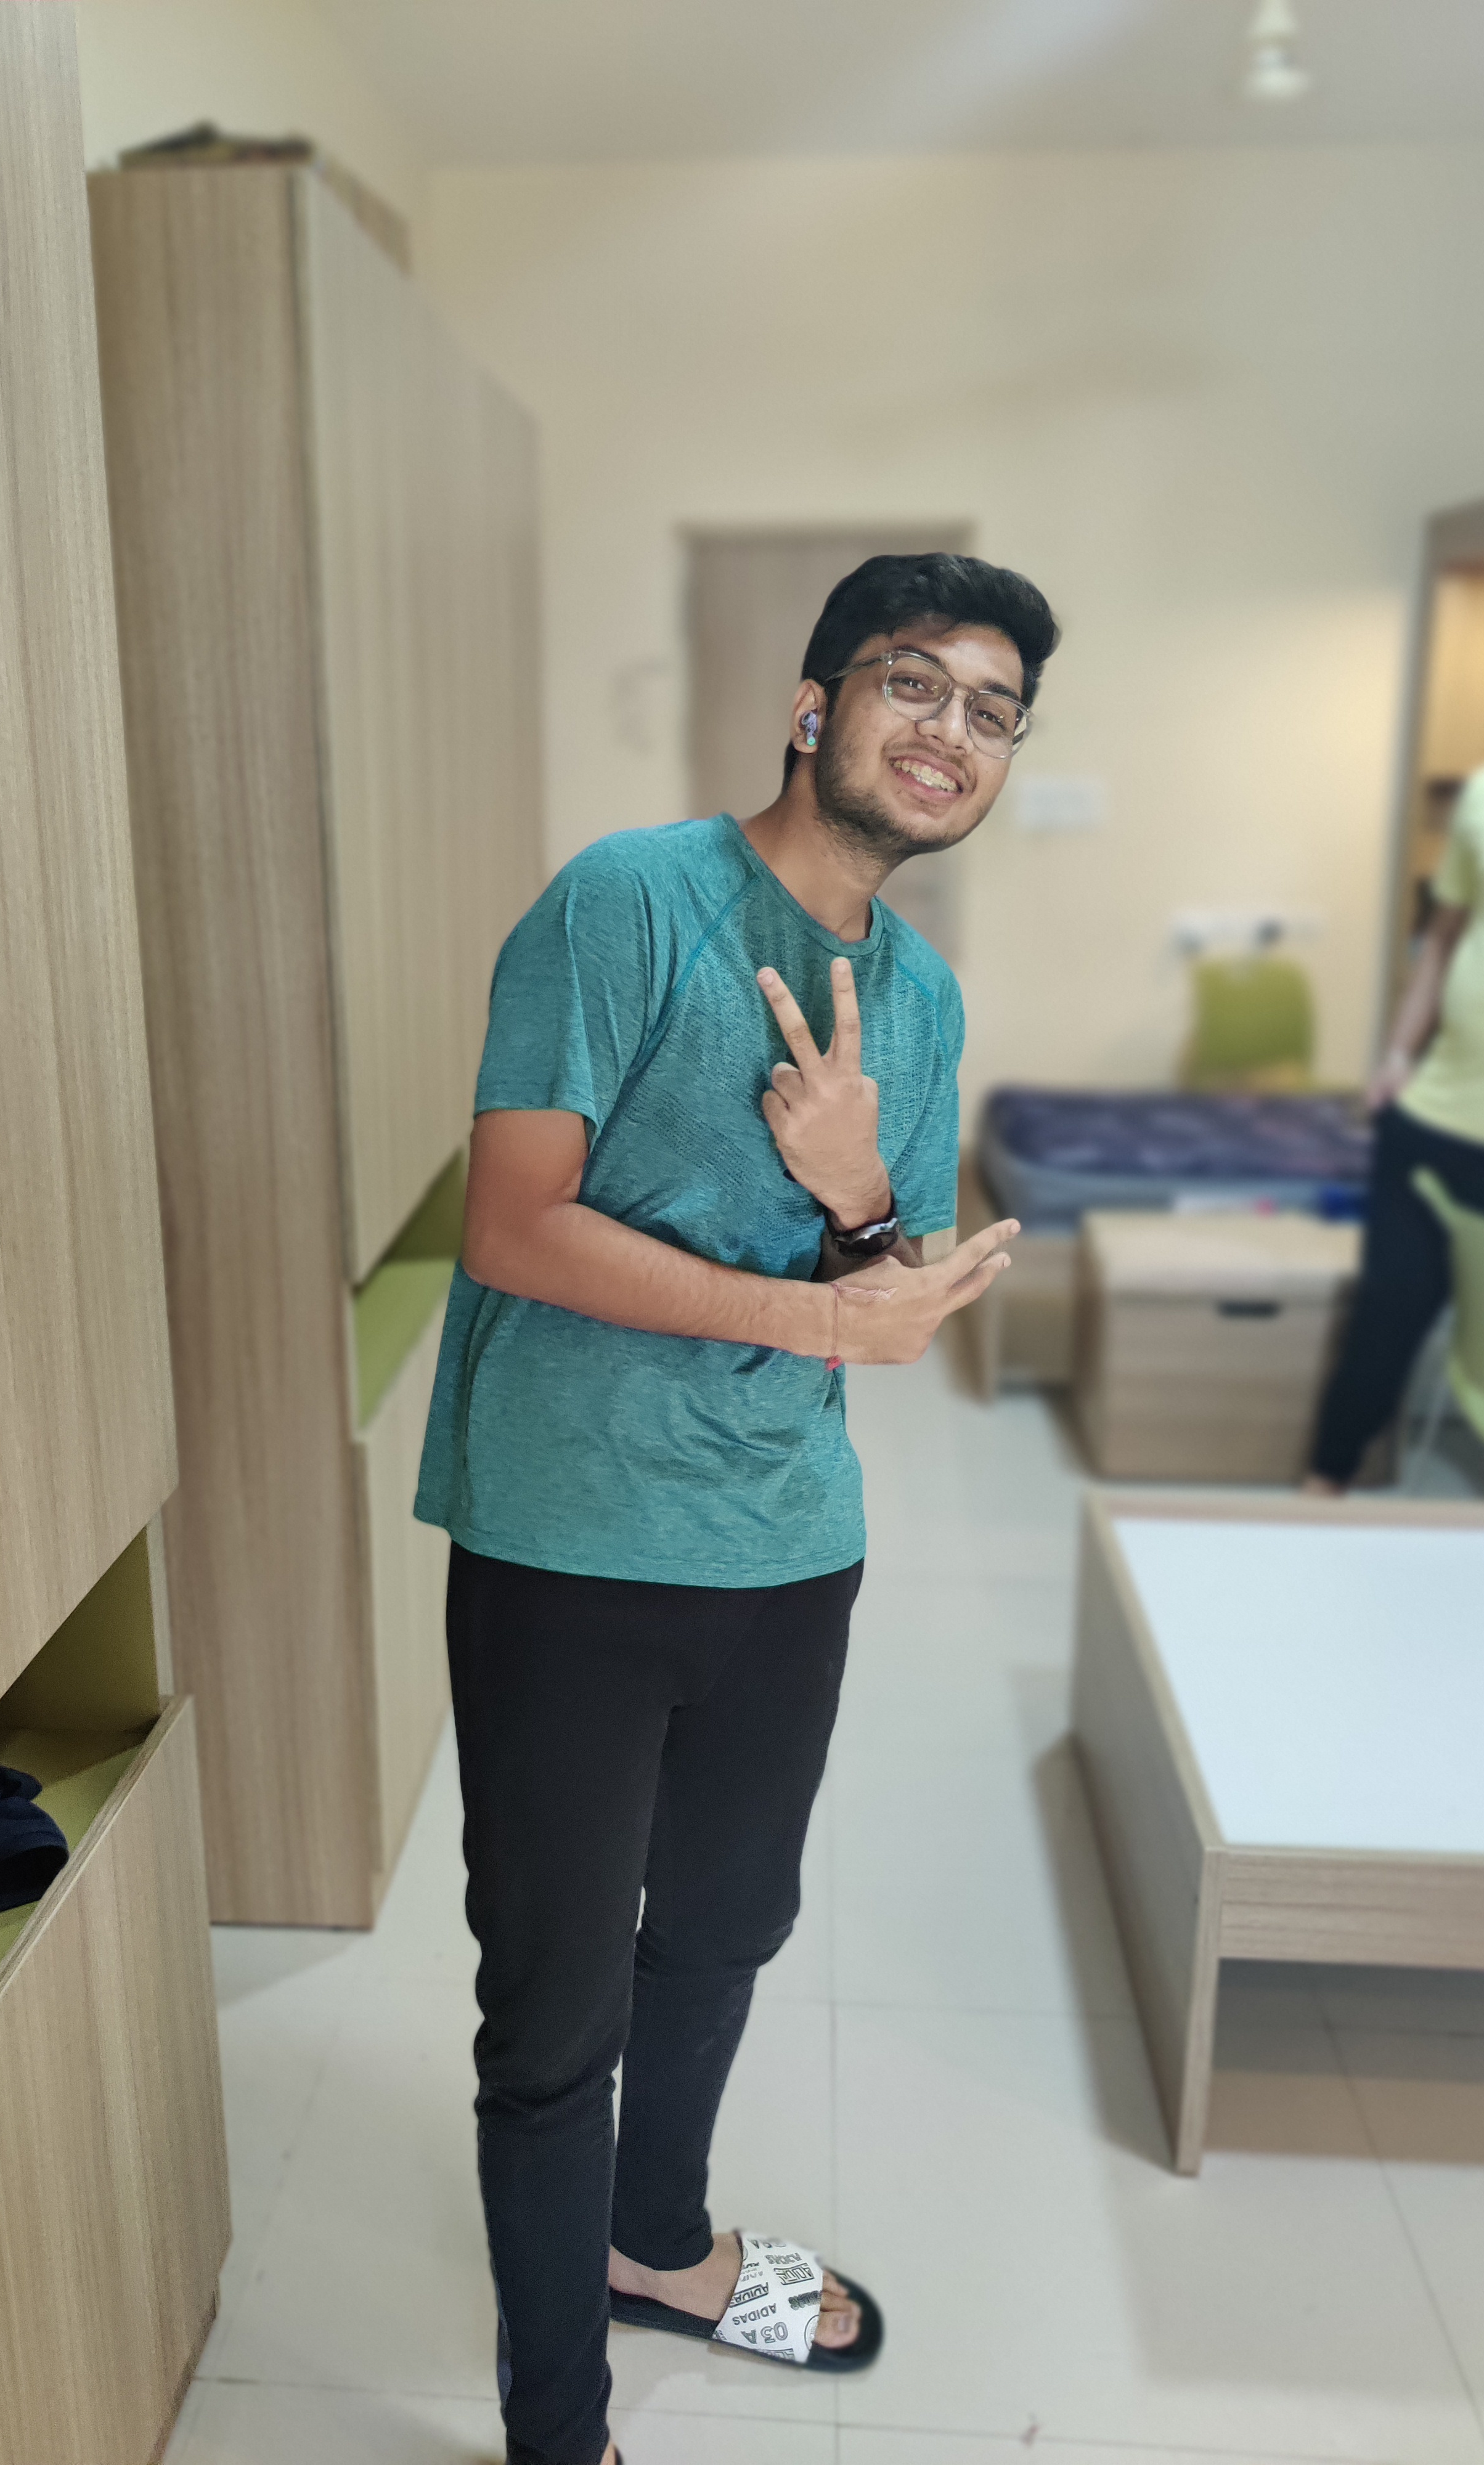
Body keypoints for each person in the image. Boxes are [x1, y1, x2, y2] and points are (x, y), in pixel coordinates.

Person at [415, 552, 1059, 2465]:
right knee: (553, 2007)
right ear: (812, 705)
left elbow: (892, 1295)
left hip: (787, 1544)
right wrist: (825, 1308)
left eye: (994, 711)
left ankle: (657, 2243)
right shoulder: (628, 902)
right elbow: (511, 1225)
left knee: (723, 1927)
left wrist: (860, 1197)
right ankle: (560, 2430)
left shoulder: (922, 995)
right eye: (913, 682)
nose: (951, 731)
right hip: (570, 1537)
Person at [1307, 622, 1484, 1491]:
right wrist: (1396, 1056)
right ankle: (1326, 1480)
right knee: (1386, 1316)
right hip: (1439, 1119)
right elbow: (1445, 940)